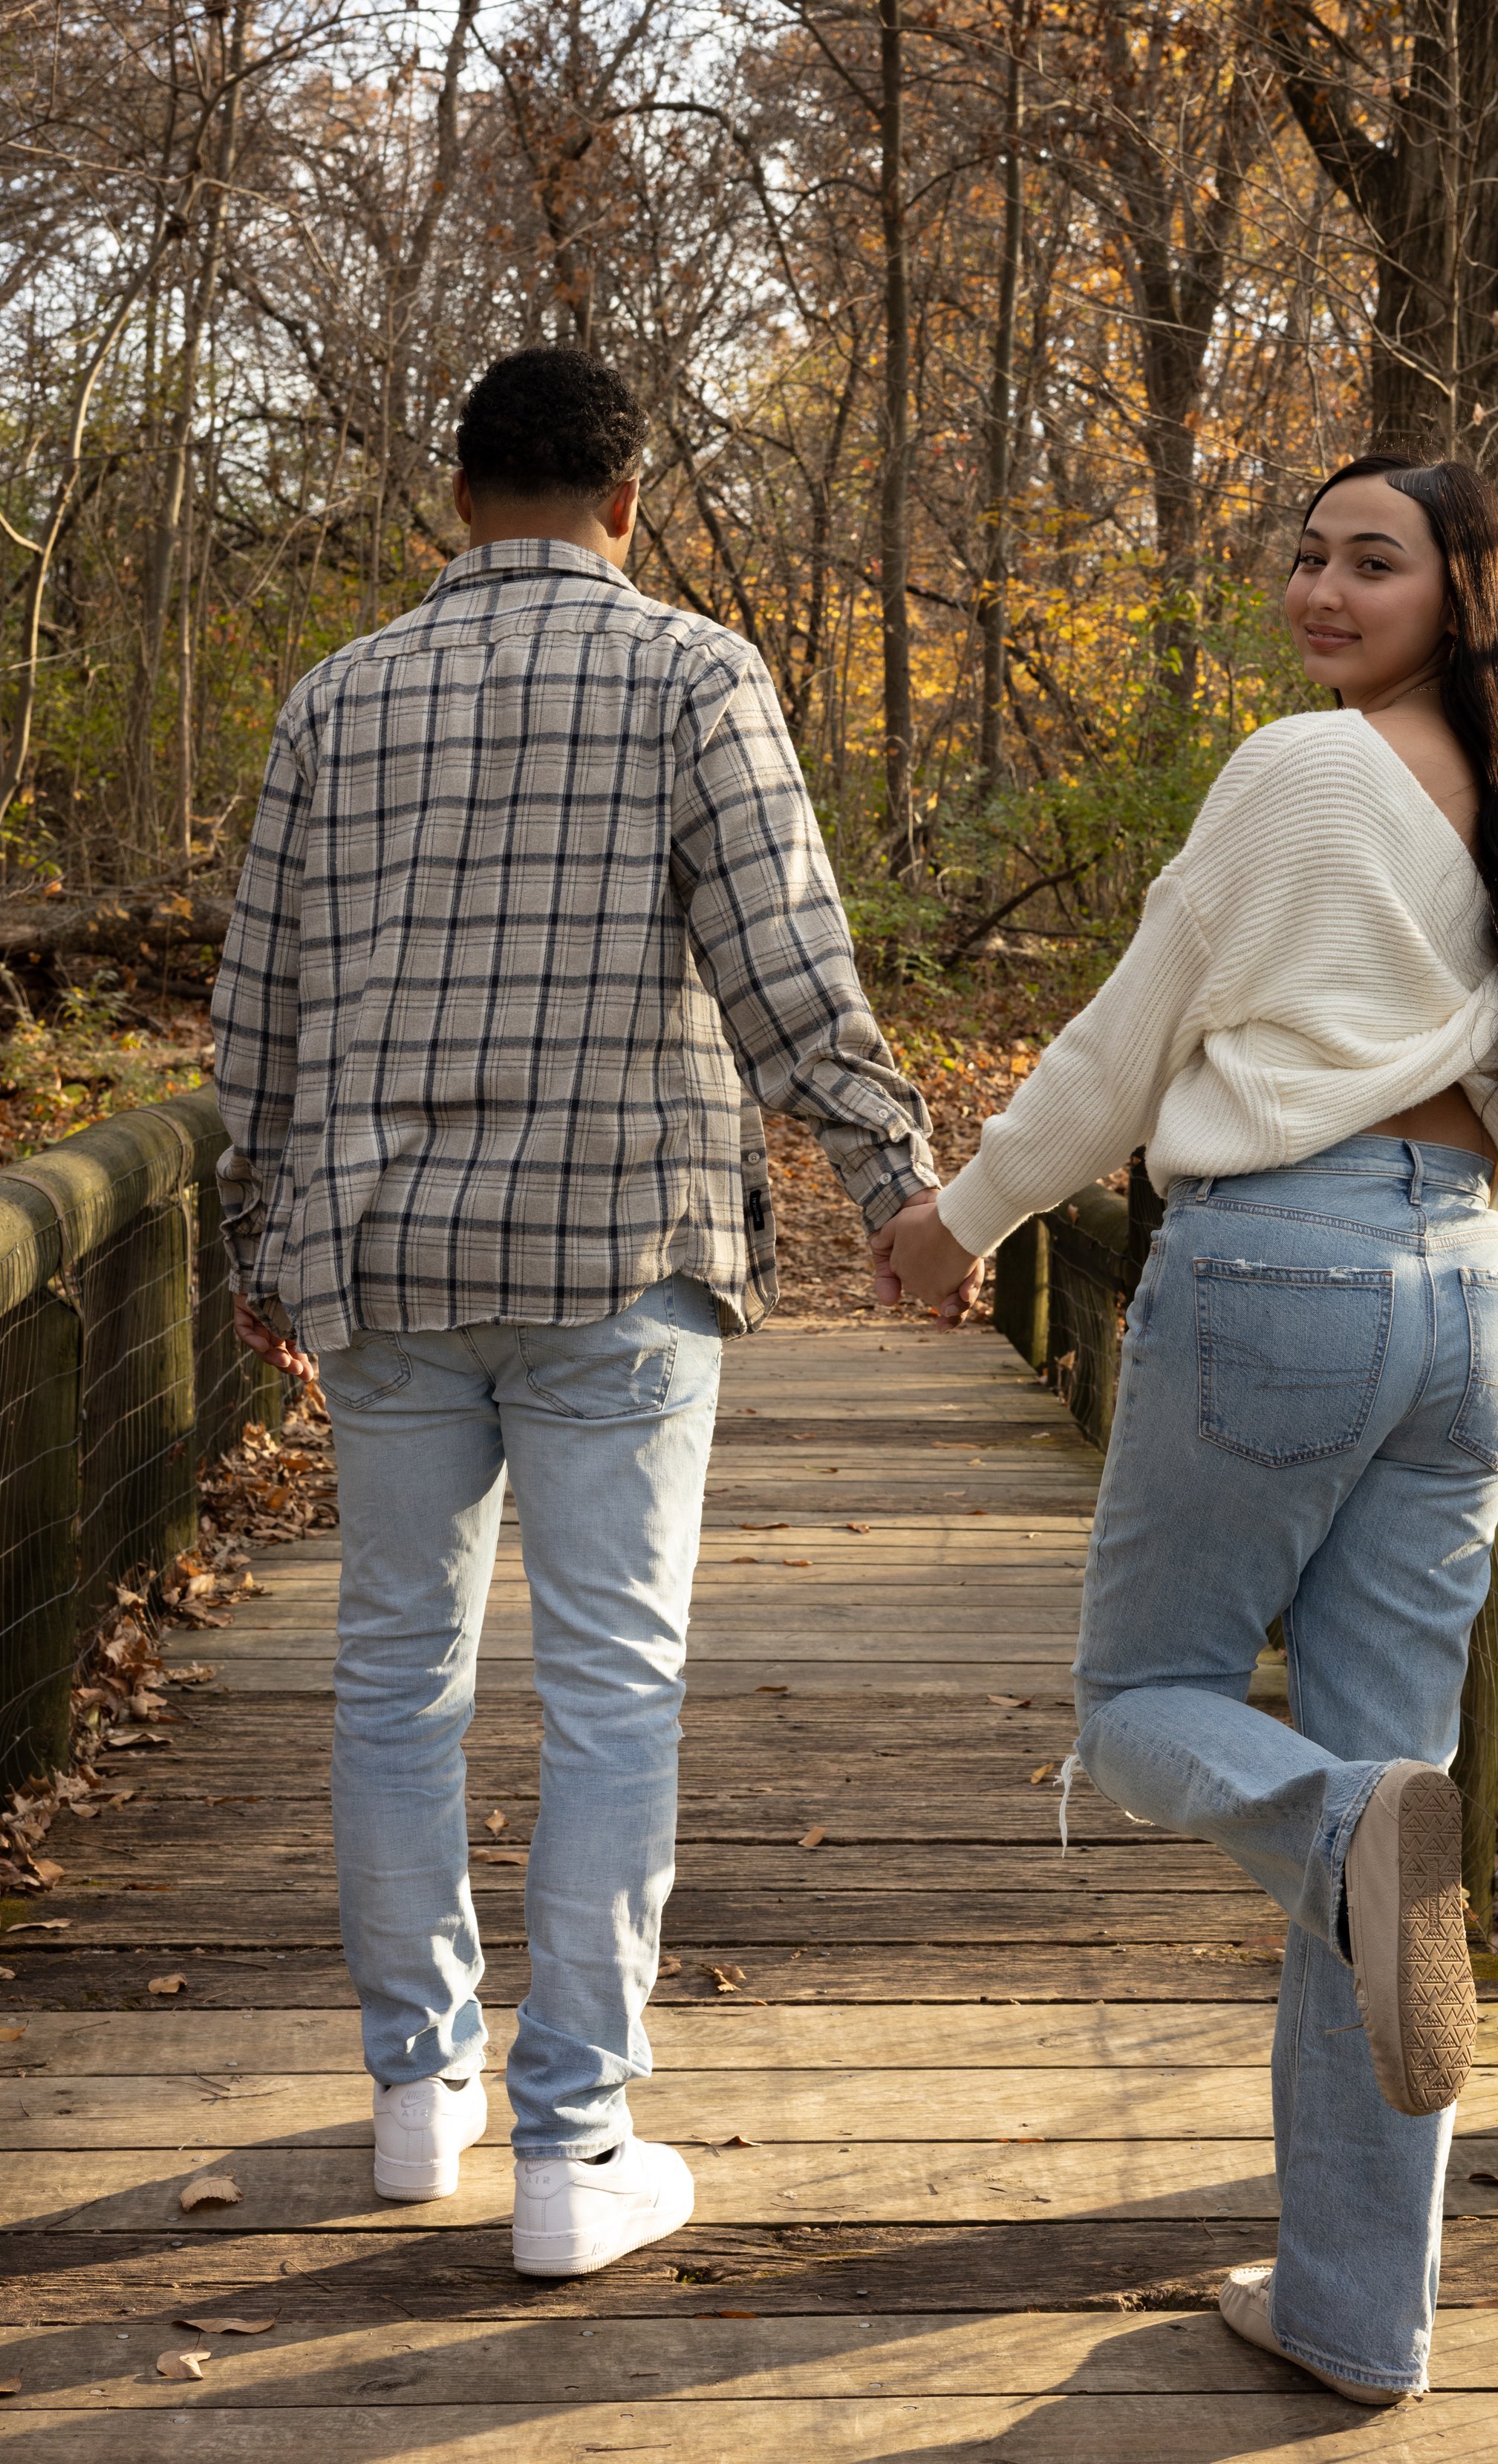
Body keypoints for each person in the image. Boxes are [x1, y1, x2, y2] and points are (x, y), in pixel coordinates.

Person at [212, 345, 971, 2278]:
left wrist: (254, 1244)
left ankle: (413, 2098)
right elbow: (787, 964)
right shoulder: (691, 675)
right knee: (614, 1681)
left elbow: (259, 1019)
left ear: (455, 500)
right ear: (627, 504)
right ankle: (572, 2145)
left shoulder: (336, 698)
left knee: (397, 1671)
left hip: (385, 1263)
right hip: (613, 1257)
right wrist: (899, 1188)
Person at [876, 454, 1498, 2402]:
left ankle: (1341, 1829)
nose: (1317, 586)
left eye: (1367, 560)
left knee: (1145, 1705)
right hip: (1464, 1297)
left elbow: (1129, 1035)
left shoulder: (1303, 774)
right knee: (1396, 1870)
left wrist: (958, 1223)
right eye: (1302, 553)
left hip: (1280, 1270)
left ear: (1458, 591)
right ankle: (1358, 2314)